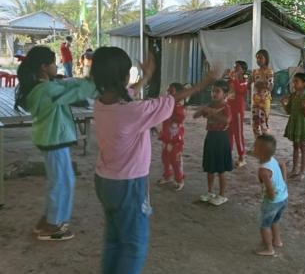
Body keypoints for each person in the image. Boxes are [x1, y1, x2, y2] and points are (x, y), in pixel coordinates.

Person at [91, 47, 216, 274]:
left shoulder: (100, 103)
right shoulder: (133, 111)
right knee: (133, 245)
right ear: (122, 76)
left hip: (104, 181)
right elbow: (169, 99)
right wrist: (203, 83)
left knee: (114, 239)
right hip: (128, 184)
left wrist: (146, 77)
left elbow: (128, 93)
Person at [14, 46, 96, 241]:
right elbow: (80, 92)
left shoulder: (41, 87)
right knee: (62, 182)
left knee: (59, 181)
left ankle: (49, 219)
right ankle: (53, 225)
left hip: (51, 139)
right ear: (43, 67)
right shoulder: (48, 90)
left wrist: (75, 81)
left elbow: (68, 86)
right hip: (54, 140)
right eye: (53, 62)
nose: (56, 65)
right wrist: (96, 78)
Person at [194, 79, 233, 206]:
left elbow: (226, 120)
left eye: (217, 91)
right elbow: (195, 115)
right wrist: (203, 109)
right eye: (213, 91)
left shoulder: (226, 107)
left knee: (221, 169)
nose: (214, 94)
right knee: (210, 167)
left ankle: (222, 194)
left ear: (225, 94)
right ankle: (210, 191)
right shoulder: (211, 105)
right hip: (210, 137)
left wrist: (212, 113)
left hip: (221, 138)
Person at [253, 134, 288, 257]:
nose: (253, 148)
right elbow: (283, 164)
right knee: (275, 221)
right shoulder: (272, 159)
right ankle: (277, 241)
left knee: (265, 225)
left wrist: (270, 197)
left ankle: (269, 249)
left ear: (260, 152)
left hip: (272, 201)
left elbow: (270, 189)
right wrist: (283, 182)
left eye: (255, 146)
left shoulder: (263, 171)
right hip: (284, 197)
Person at [281, 73, 305, 180]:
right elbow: (288, 111)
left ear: (304, 84)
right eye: (293, 81)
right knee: (295, 146)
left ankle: (302, 172)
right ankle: (295, 169)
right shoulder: (293, 95)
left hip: (302, 125)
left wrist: (304, 107)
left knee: (302, 147)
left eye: (296, 81)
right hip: (294, 123)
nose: (294, 84)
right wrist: (283, 103)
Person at [157, 83, 186, 191]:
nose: (168, 93)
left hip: (175, 140)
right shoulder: (167, 106)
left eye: (171, 91)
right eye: (168, 91)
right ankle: (167, 175)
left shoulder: (179, 107)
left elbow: (180, 118)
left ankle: (179, 179)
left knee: (176, 160)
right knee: (165, 157)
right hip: (166, 138)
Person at [226, 60, 249, 168]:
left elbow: (241, 90)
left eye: (238, 67)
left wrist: (234, 79)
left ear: (243, 70)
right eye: (235, 66)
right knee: (228, 133)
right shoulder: (231, 79)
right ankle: (227, 155)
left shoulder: (244, 80)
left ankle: (241, 157)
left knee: (238, 134)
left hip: (238, 111)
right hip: (229, 109)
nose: (235, 68)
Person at [251, 49, 274, 136]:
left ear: (266, 59)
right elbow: (250, 83)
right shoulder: (255, 72)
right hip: (255, 100)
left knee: (263, 122)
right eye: (257, 58)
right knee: (255, 123)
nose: (258, 60)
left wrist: (260, 84)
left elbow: (270, 87)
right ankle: (257, 144)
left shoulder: (269, 71)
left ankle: (265, 144)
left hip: (264, 101)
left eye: (260, 58)